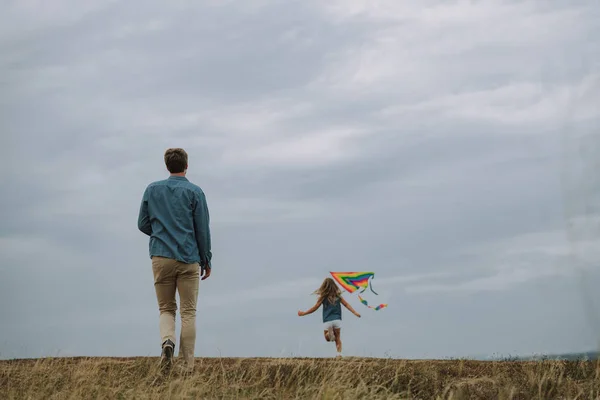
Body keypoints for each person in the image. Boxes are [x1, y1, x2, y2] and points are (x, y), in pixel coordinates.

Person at [137, 148, 212, 372]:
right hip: (189, 258)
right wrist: (206, 259)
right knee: (188, 311)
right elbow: (202, 231)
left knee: (166, 309)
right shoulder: (195, 192)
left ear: (167, 166)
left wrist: (161, 232)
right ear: (186, 166)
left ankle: (167, 341)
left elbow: (142, 224)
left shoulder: (152, 189)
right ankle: (186, 365)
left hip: (161, 256)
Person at [297, 277, 361, 358]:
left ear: (324, 287)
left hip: (328, 320)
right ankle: (339, 354)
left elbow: (315, 307)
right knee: (337, 338)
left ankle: (329, 334)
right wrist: (355, 313)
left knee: (327, 338)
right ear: (334, 286)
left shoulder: (323, 297)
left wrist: (304, 313)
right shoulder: (338, 296)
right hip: (337, 320)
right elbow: (346, 305)